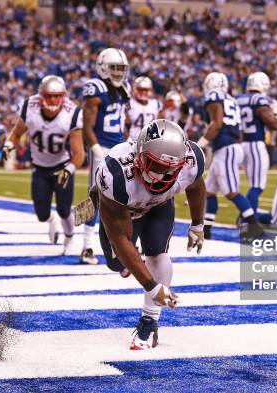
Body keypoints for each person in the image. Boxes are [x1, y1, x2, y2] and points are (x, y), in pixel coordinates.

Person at [92, 119, 206, 350]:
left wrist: (197, 224)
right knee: (117, 262)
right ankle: (97, 196)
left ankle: (149, 320)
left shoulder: (192, 161)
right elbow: (120, 237)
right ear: (139, 154)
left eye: (169, 168)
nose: (161, 175)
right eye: (155, 165)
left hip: (158, 207)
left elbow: (196, 186)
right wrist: (152, 287)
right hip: (124, 208)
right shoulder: (116, 172)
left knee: (159, 255)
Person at [2, 75, 84, 255]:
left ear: (63, 95)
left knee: (64, 209)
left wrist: (69, 170)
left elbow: (79, 153)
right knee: (42, 214)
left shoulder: (72, 114)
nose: (53, 100)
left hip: (62, 166)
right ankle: (51, 220)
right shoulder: (29, 108)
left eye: (57, 96)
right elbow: (16, 134)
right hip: (39, 168)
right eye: (49, 95)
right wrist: (9, 145)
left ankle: (70, 239)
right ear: (41, 96)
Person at [197, 72, 263, 241]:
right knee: (210, 192)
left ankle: (254, 225)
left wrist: (201, 143)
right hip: (229, 147)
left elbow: (217, 124)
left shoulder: (214, 96)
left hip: (226, 148)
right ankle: (207, 229)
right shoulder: (231, 99)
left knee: (231, 192)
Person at [80, 48, 131, 264]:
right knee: (95, 197)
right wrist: (97, 151)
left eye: (121, 68)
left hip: (119, 148)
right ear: (103, 68)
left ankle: (120, 244)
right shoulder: (96, 88)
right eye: (114, 68)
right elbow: (86, 127)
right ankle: (86, 246)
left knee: (123, 198)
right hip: (101, 148)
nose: (119, 72)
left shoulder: (124, 89)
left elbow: (121, 122)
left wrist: (127, 144)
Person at [236, 71, 277, 212]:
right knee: (257, 186)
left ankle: (248, 217)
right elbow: (273, 125)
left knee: (254, 184)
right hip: (255, 144)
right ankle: (249, 220)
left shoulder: (238, 99)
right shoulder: (259, 100)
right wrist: (276, 114)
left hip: (243, 143)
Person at [126, 76, 161, 141]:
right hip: (133, 139)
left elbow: (160, 124)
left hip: (150, 140)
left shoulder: (156, 104)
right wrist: (127, 138)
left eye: (146, 90)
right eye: (140, 89)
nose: (143, 92)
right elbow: (125, 123)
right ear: (135, 89)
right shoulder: (128, 103)